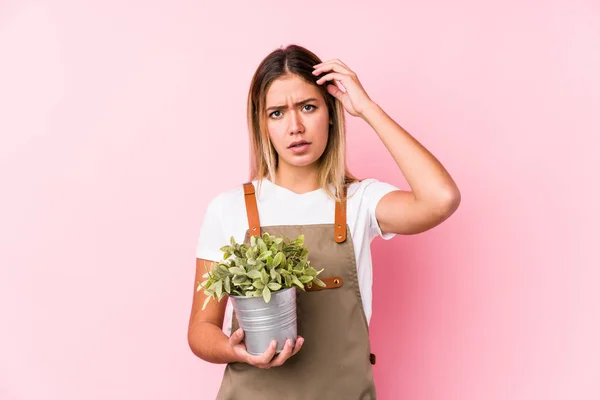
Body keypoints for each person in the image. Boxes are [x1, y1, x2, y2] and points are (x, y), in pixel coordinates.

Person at [188, 44, 461, 399]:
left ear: (331, 113)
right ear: (261, 124)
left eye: (308, 107)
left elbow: (442, 199)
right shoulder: (228, 208)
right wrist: (234, 350)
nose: (295, 126)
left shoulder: (361, 201)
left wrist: (368, 109)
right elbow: (201, 328)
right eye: (276, 113)